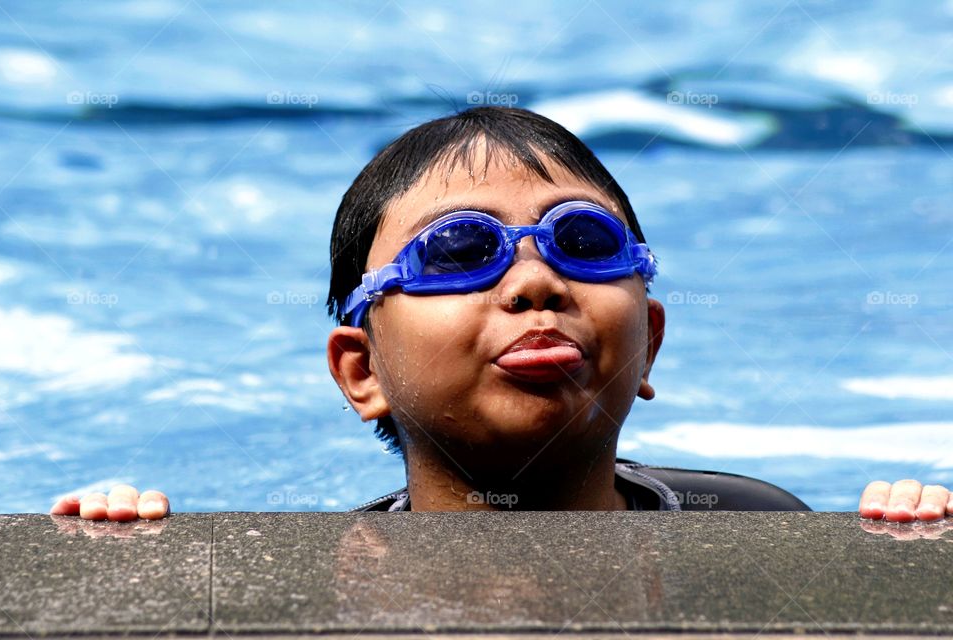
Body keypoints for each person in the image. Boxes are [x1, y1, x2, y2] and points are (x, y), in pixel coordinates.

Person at [50, 106, 951, 522]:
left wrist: (912, 534)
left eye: (585, 245)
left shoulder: (758, 529)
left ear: (650, 346)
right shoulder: (317, 575)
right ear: (361, 372)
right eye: (458, 252)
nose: (534, 285)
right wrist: (113, 547)